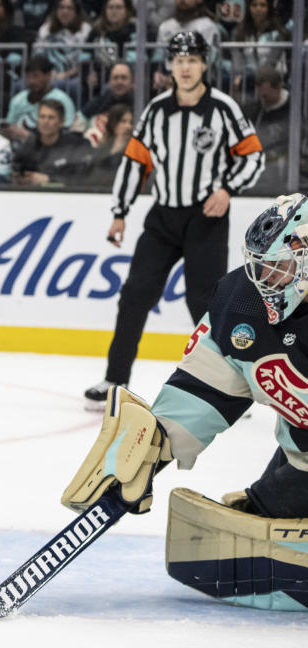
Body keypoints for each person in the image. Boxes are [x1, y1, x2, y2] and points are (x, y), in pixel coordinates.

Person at [63, 193, 308, 612]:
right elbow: (208, 384)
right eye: (260, 264)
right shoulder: (242, 302)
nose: (264, 278)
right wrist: (151, 449)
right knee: (269, 509)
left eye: (277, 267)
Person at [83, 32, 265, 408]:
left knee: (205, 303)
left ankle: (228, 386)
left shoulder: (223, 108)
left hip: (205, 218)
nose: (185, 67)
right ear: (170, 65)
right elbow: (135, 161)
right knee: (134, 295)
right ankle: (115, 379)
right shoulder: (156, 110)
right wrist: (120, 211)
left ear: (204, 64)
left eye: (192, 60)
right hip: (163, 218)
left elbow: (253, 156)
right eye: (178, 60)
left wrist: (227, 189)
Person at [0, 55, 77, 145]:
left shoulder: (63, 100)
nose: (31, 81)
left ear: (49, 75)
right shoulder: (17, 100)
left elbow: (67, 132)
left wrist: (28, 136)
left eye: (36, 76)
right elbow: (10, 126)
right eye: (28, 77)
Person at [12, 99, 90, 187]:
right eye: (42, 117)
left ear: (62, 122)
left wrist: (48, 180)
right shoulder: (29, 145)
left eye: (51, 117)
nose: (45, 121)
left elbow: (80, 180)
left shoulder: (75, 145)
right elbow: (16, 171)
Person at [153, 0, 220, 93]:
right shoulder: (165, 27)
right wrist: (159, 75)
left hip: (200, 82)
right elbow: (159, 59)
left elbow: (209, 60)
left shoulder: (207, 26)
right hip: (168, 82)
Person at [243, 65, 290, 192]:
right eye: (261, 94)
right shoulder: (254, 111)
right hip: (261, 174)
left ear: (279, 87)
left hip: (285, 174)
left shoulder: (295, 109)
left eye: (267, 95)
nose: (263, 99)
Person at [230, 0, 289, 93]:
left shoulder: (279, 33)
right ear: (249, 8)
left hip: (271, 80)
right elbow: (238, 58)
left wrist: (258, 78)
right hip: (246, 80)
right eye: (254, 5)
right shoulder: (238, 32)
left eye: (263, 5)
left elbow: (271, 61)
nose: (258, 9)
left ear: (269, 8)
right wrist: (241, 75)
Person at [85, 103, 133, 187]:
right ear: (113, 124)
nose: (128, 126)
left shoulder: (136, 150)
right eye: (123, 121)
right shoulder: (102, 148)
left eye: (131, 122)